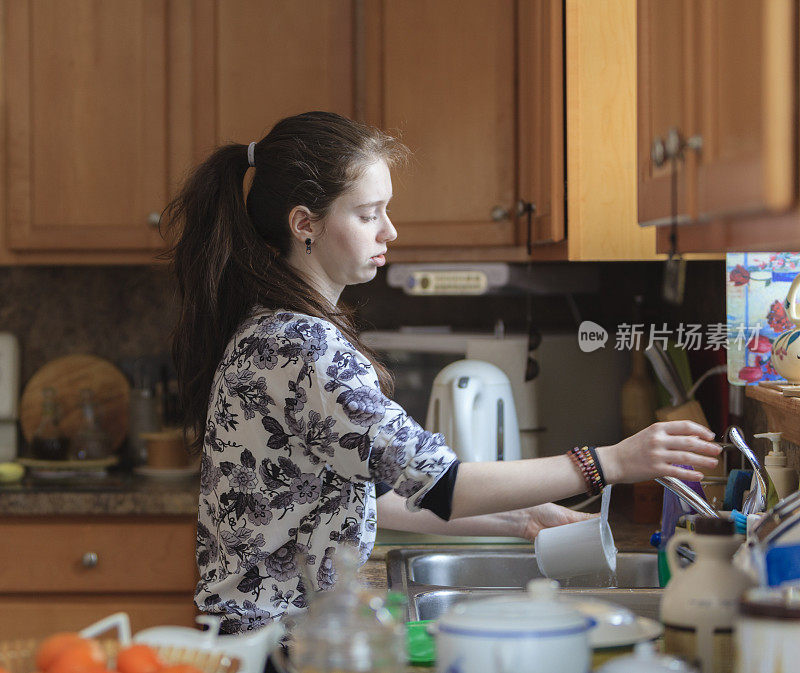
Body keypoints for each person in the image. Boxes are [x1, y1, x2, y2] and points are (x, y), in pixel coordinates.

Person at [162, 111, 720, 635]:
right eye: (368, 213)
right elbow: (443, 484)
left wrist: (521, 518)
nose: (390, 232)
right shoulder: (303, 347)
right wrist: (612, 462)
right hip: (280, 647)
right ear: (304, 224)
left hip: (260, 637)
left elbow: (378, 496)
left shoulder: (277, 328)